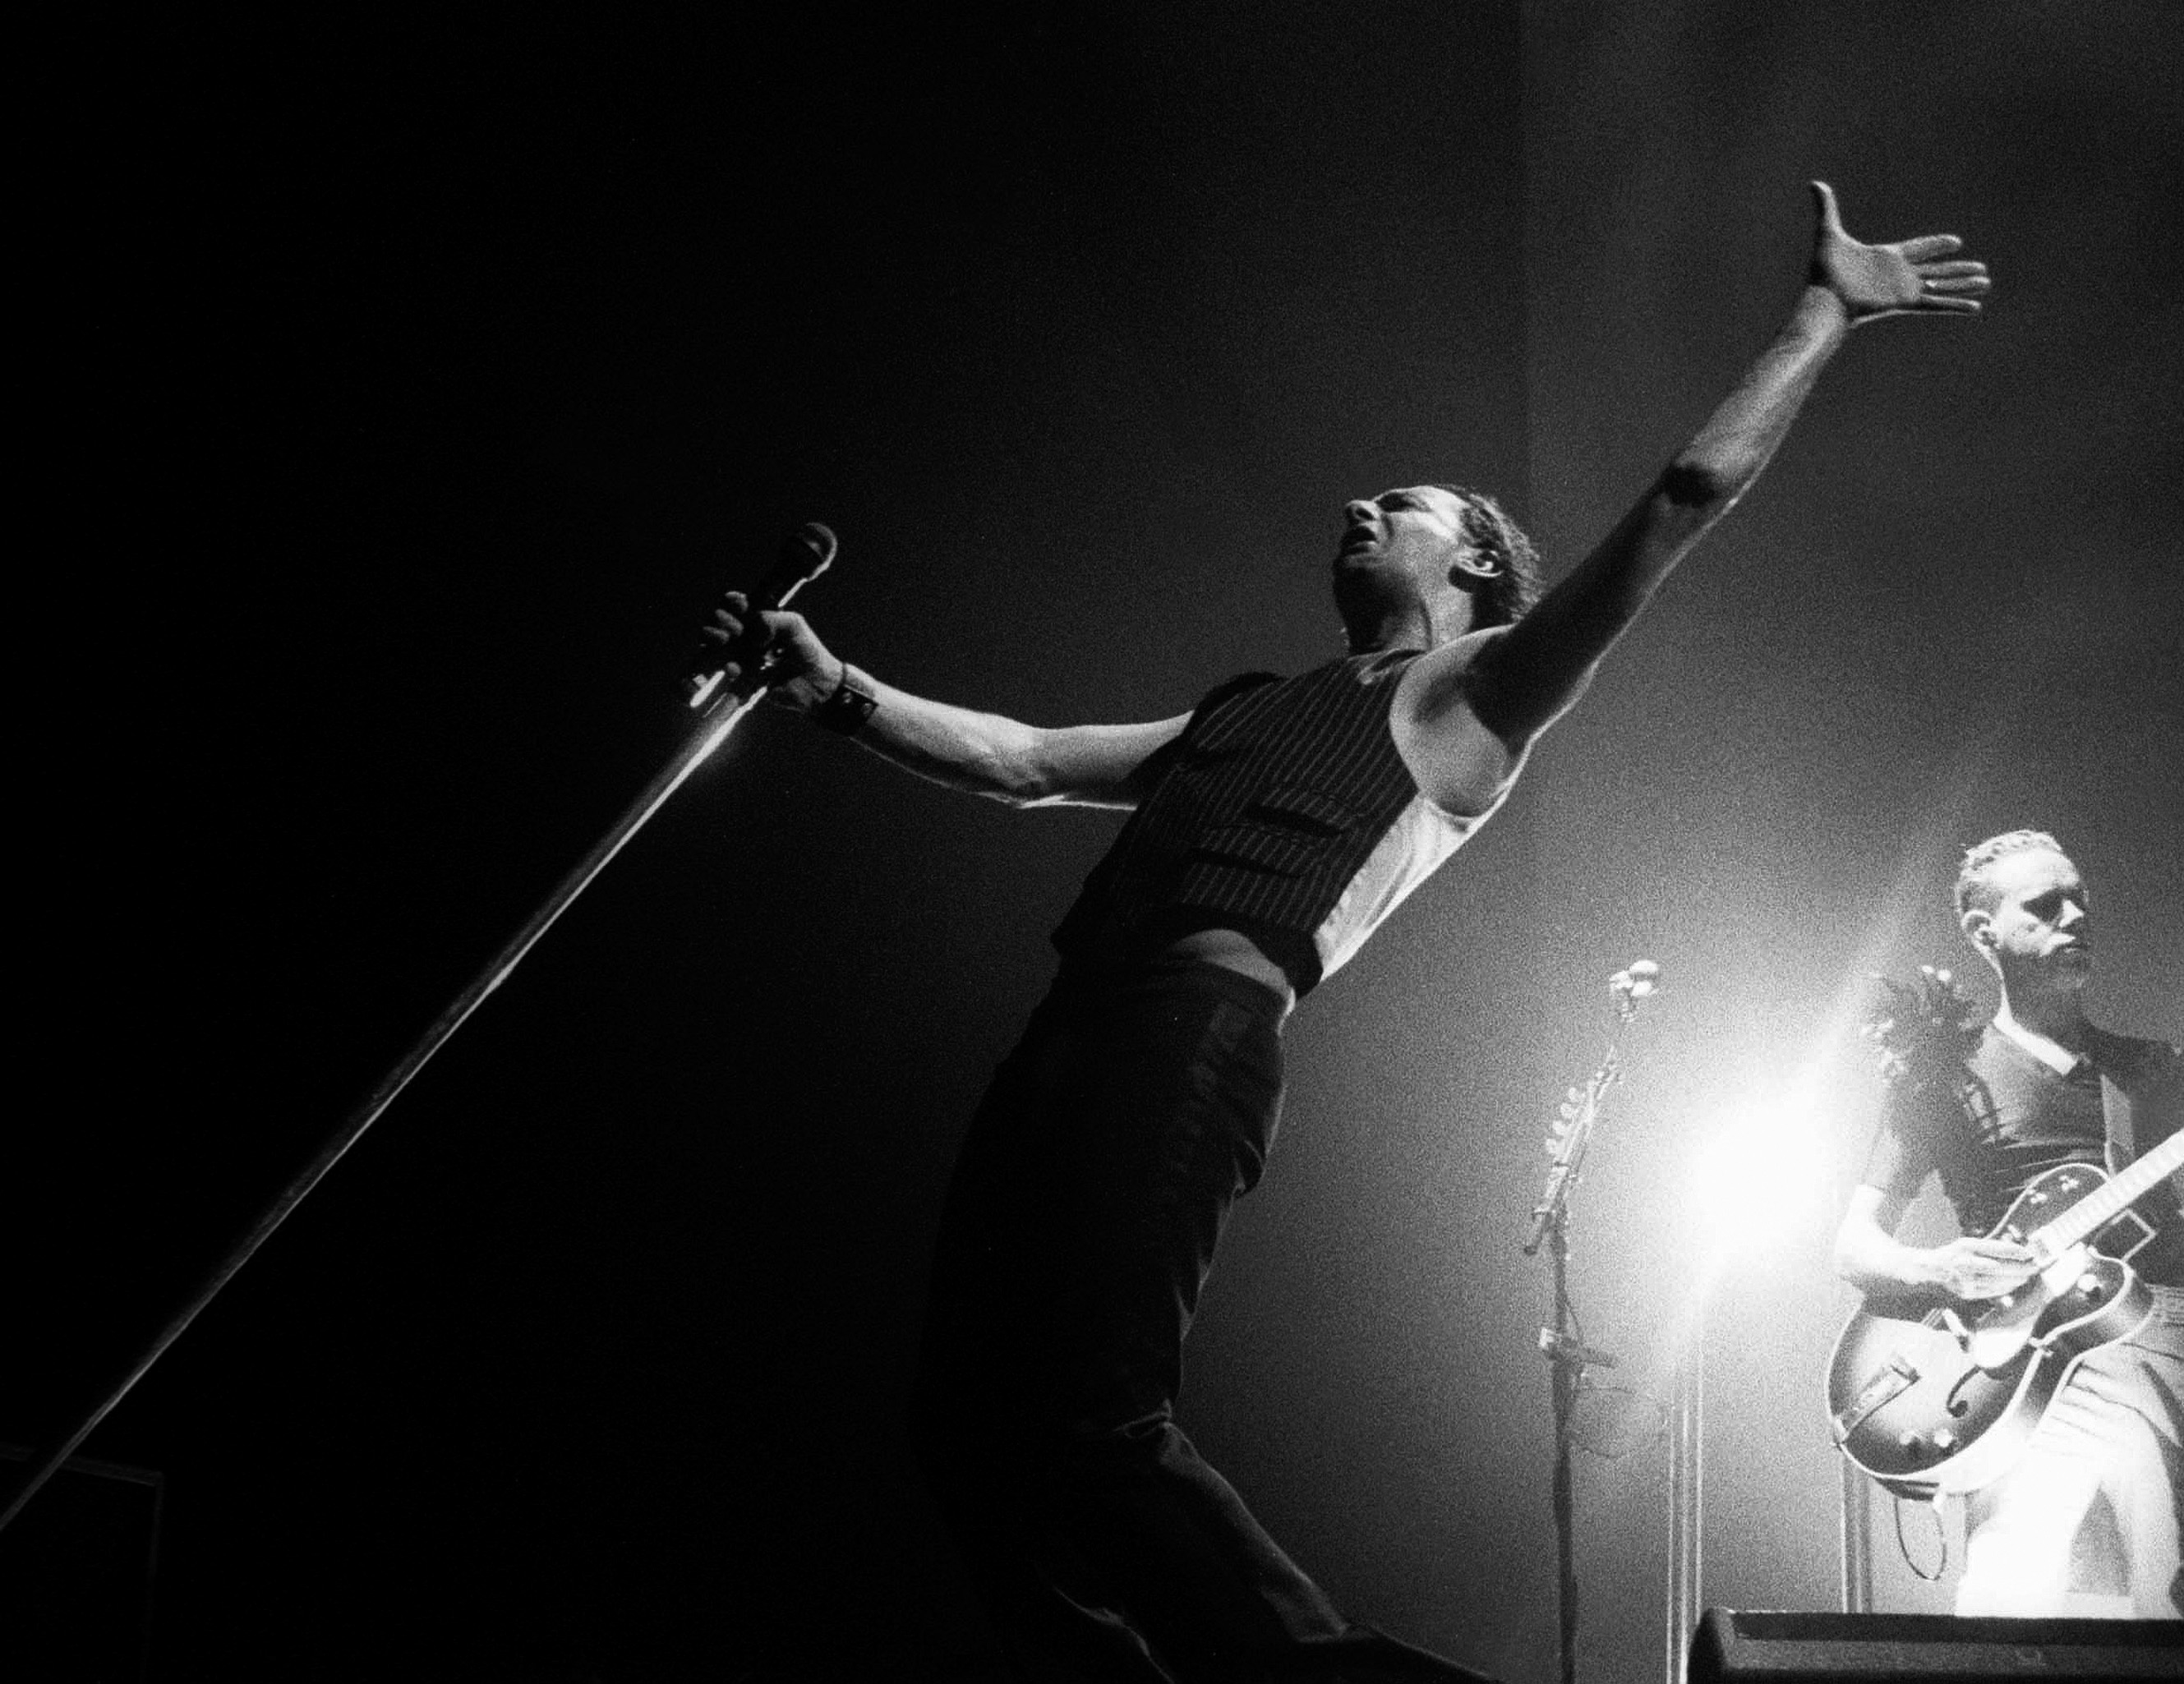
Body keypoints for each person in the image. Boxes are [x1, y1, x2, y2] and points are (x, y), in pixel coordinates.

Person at [707, 183, 1988, 1682]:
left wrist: (1825, 311)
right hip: (1069, 1038)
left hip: (1191, 1036)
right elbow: (1026, 760)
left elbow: (1685, 496)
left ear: (1476, 566)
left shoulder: (1473, 694)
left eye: (1401, 506)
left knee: (1093, 1419)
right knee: (963, 1431)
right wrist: (837, 687)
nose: (1359, 511)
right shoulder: (1249, 708)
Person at [1833, 830, 2184, 1619]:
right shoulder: (1943, 1076)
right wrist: (1940, 1268)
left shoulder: (2157, 1069)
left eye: (2080, 898)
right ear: (1984, 932)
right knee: (2006, 1608)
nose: (2076, 915)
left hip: (2158, 1335)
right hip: (2014, 1366)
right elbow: (1853, 1246)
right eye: (2045, 904)